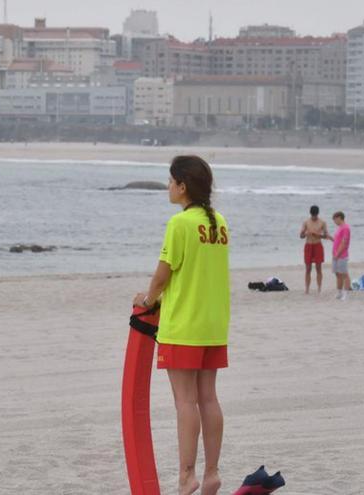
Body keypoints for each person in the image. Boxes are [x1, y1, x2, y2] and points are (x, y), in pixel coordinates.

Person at [133, 155, 230, 495]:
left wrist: (147, 300)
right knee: (209, 398)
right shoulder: (219, 221)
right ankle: (213, 471)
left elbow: (163, 274)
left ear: (183, 186)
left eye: (170, 181)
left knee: (185, 402)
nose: (167, 187)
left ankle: (187, 476)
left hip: (185, 325)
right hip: (214, 324)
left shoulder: (181, 223)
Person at [299, 205, 329, 294]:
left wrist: (318, 235)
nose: (314, 217)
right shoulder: (306, 222)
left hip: (318, 245)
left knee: (318, 268)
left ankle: (319, 288)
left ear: (318, 214)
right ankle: (307, 289)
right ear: (310, 214)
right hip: (308, 246)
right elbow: (301, 236)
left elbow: (326, 236)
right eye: (313, 215)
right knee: (308, 269)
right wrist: (305, 233)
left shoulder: (322, 222)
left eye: (315, 215)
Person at [330, 211, 351, 301]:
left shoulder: (346, 228)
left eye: (335, 220)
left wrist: (338, 254)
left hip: (341, 255)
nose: (334, 222)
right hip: (335, 255)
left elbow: (344, 242)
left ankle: (346, 294)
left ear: (339, 218)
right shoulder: (339, 228)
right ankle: (339, 292)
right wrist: (329, 237)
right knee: (337, 274)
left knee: (344, 274)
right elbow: (337, 240)